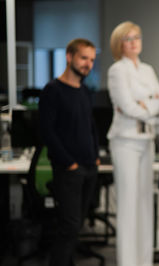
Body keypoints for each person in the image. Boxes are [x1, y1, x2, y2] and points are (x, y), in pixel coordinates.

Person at [107, 21, 159, 266]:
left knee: (144, 203)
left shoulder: (147, 69)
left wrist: (147, 106)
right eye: (128, 38)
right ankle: (127, 262)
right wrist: (147, 104)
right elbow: (126, 105)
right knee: (128, 204)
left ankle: (144, 261)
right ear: (119, 44)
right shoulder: (117, 71)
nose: (134, 41)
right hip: (125, 142)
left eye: (137, 37)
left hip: (147, 140)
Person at [39, 38, 99, 266]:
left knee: (75, 228)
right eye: (84, 58)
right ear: (69, 56)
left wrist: (94, 157)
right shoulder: (52, 91)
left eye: (92, 59)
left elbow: (90, 126)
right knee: (69, 227)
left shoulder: (84, 91)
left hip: (89, 168)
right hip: (68, 170)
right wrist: (69, 163)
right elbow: (46, 132)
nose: (88, 64)